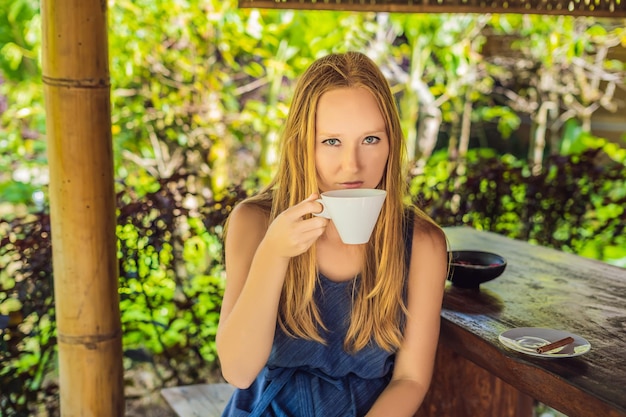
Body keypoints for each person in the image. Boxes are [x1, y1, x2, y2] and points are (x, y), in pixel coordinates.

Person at [216, 51, 448, 417]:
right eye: (331, 141)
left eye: (370, 139)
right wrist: (273, 255)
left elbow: (411, 379)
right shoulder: (255, 223)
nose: (352, 165)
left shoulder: (422, 244)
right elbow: (238, 371)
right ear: (301, 143)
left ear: (392, 143)